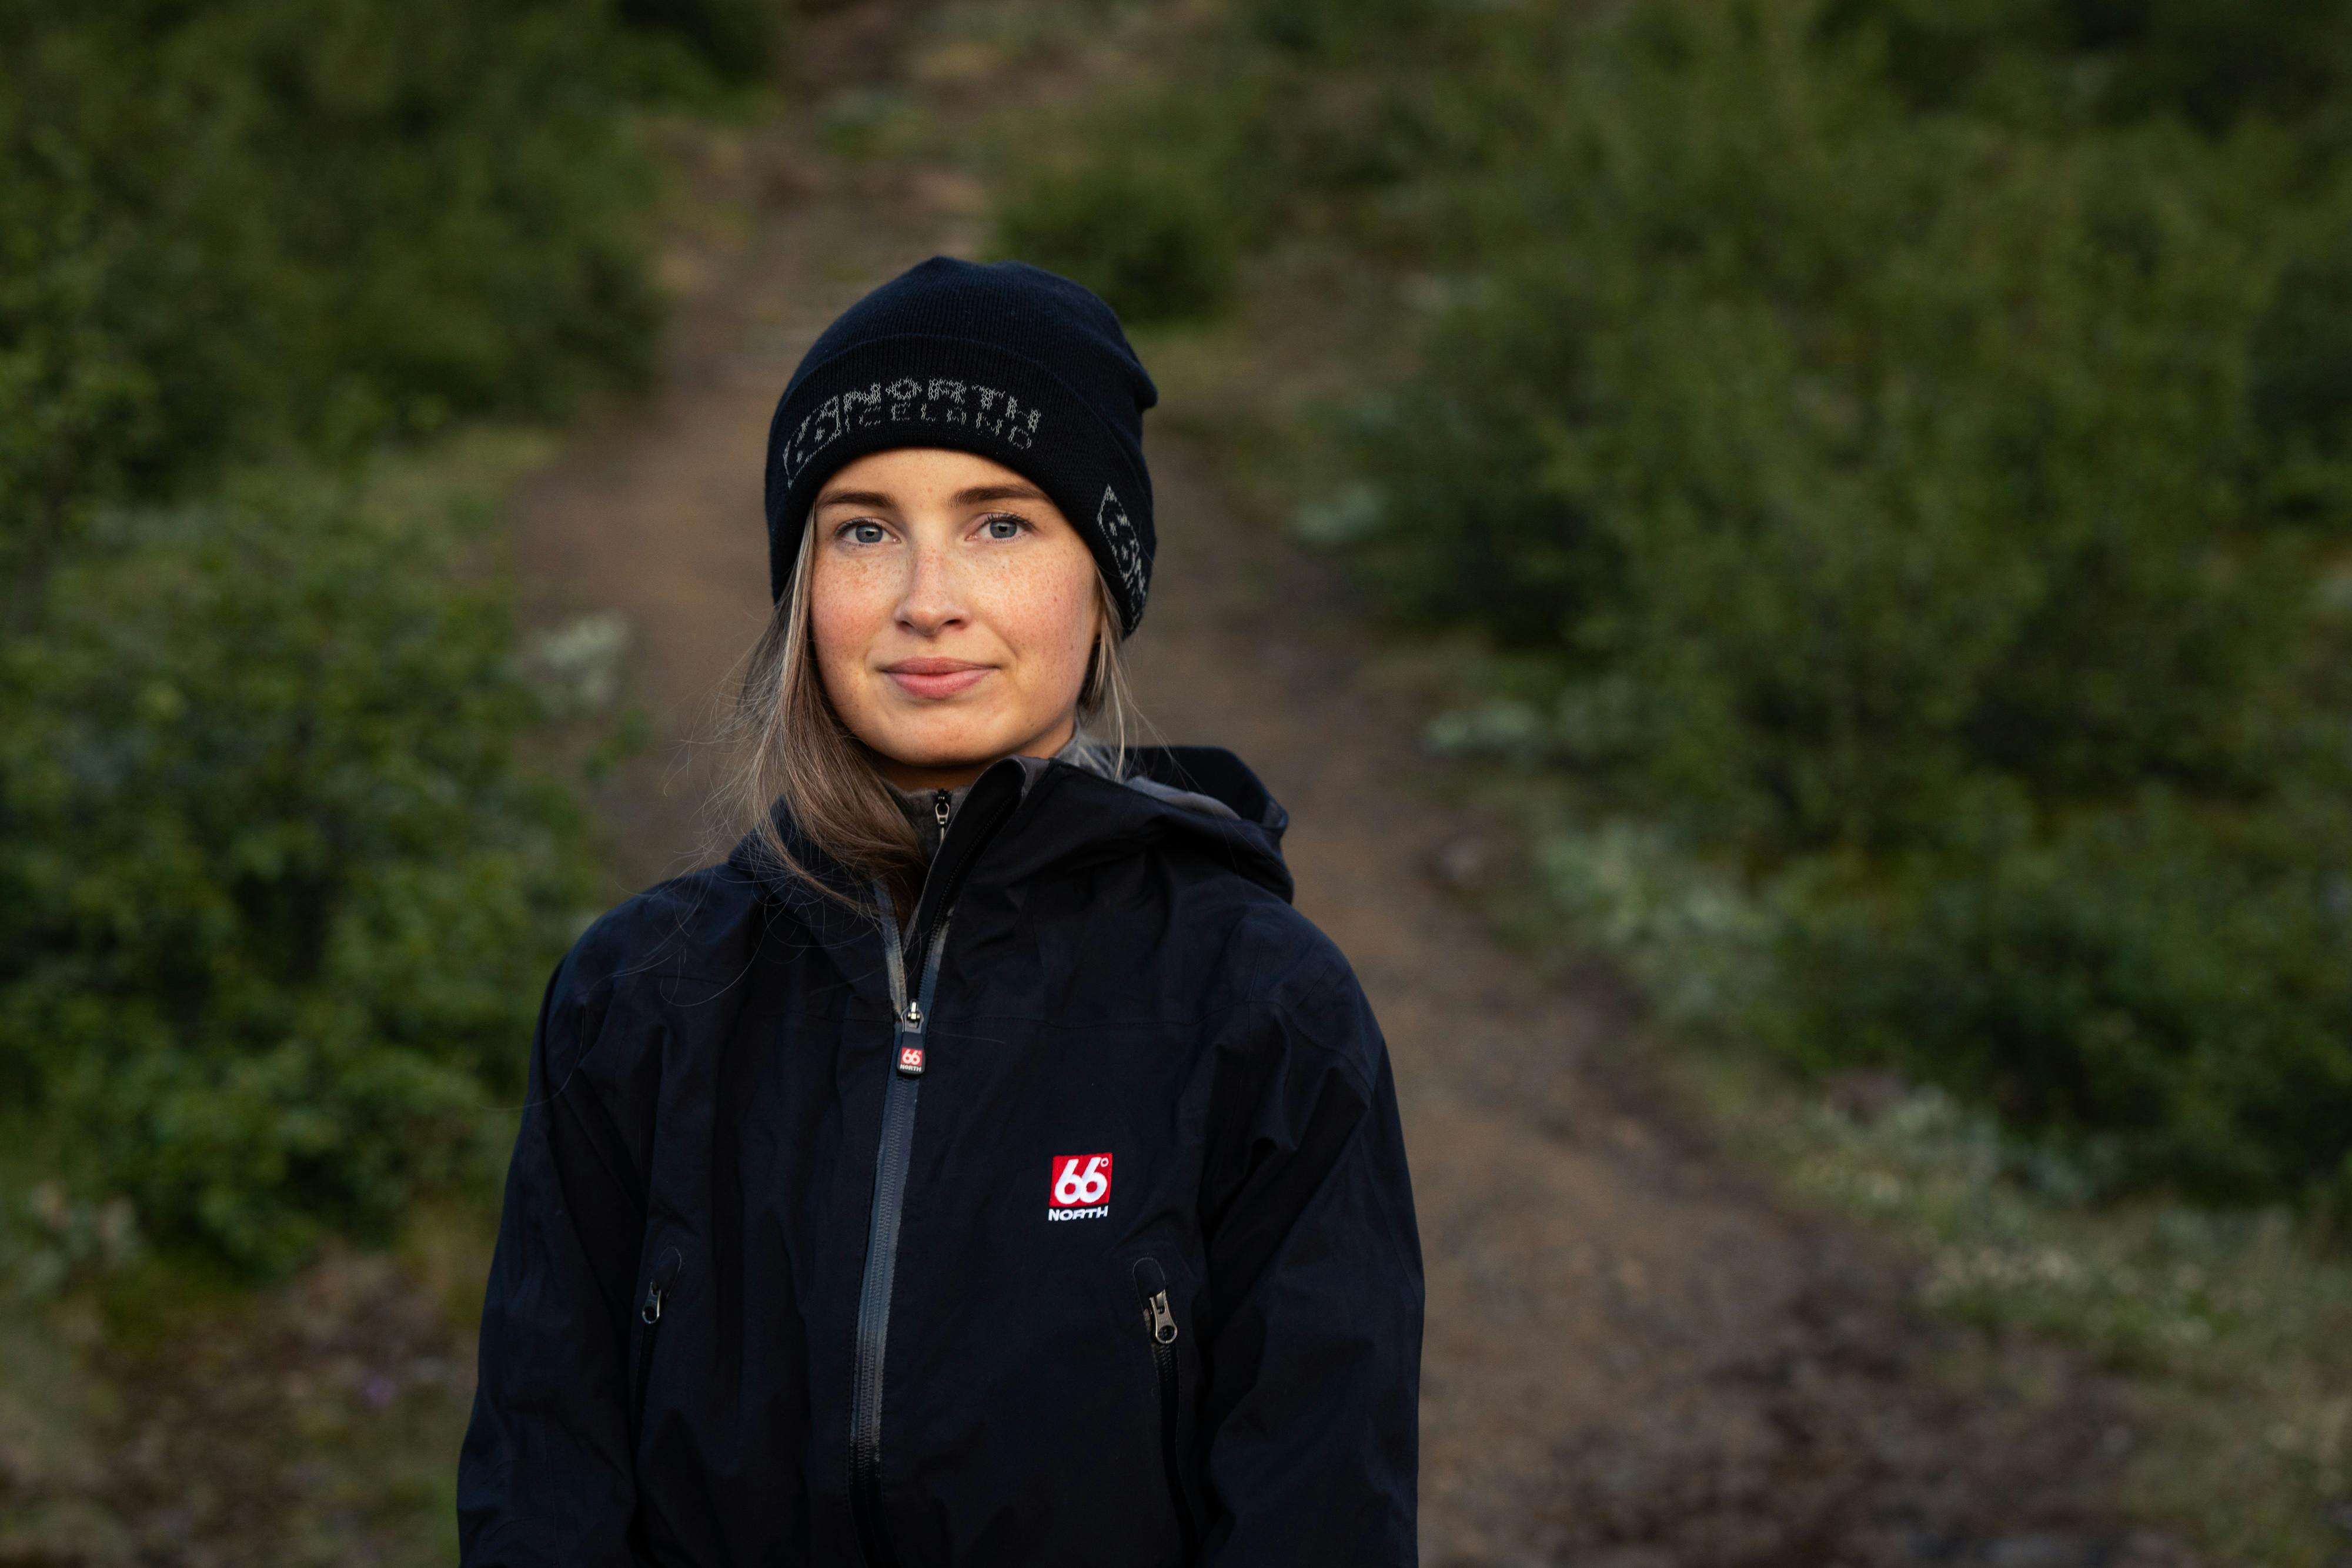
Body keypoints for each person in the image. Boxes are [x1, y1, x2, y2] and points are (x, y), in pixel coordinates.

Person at [456, 257, 1424, 1566]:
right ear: (804, 585)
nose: (927, 599)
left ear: (1104, 580)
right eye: (864, 529)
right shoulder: (637, 997)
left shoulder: (1264, 1006)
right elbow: (541, 1478)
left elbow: (1319, 1513)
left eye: (1000, 524)